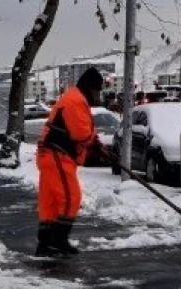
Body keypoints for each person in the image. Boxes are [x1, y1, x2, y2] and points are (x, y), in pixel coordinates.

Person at [35, 67, 105, 256]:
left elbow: (81, 129)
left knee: (51, 201)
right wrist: (93, 142)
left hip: (50, 155)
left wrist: (95, 142)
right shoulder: (75, 100)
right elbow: (81, 133)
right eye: (97, 90)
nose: (98, 95)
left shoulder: (74, 97)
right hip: (57, 154)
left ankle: (46, 242)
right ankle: (58, 240)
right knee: (70, 197)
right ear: (90, 87)